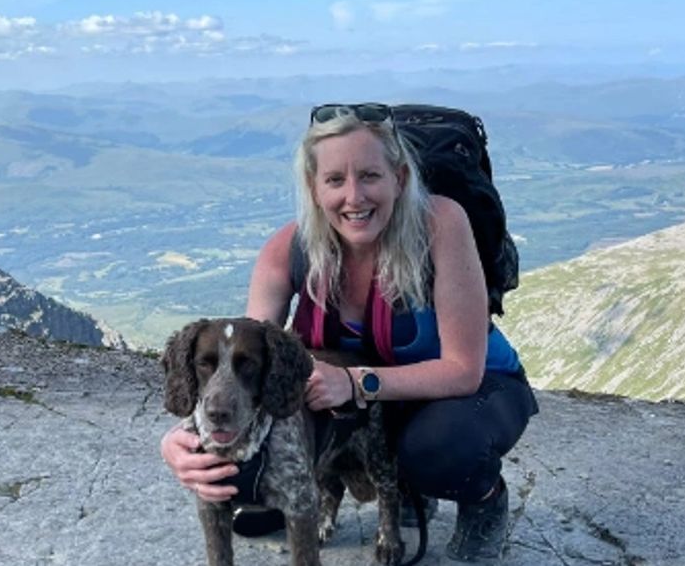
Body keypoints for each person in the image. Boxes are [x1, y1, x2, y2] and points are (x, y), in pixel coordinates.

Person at [160, 103, 538, 563]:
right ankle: (371, 481)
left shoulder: (441, 224)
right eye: (335, 179)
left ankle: (481, 498)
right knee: (252, 491)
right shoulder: (286, 251)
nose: (354, 197)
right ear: (313, 188)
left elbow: (463, 370)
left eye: (370, 176)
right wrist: (182, 438)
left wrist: (355, 382)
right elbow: (245, 368)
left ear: (399, 178)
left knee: (439, 450)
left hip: (471, 390)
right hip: (367, 410)